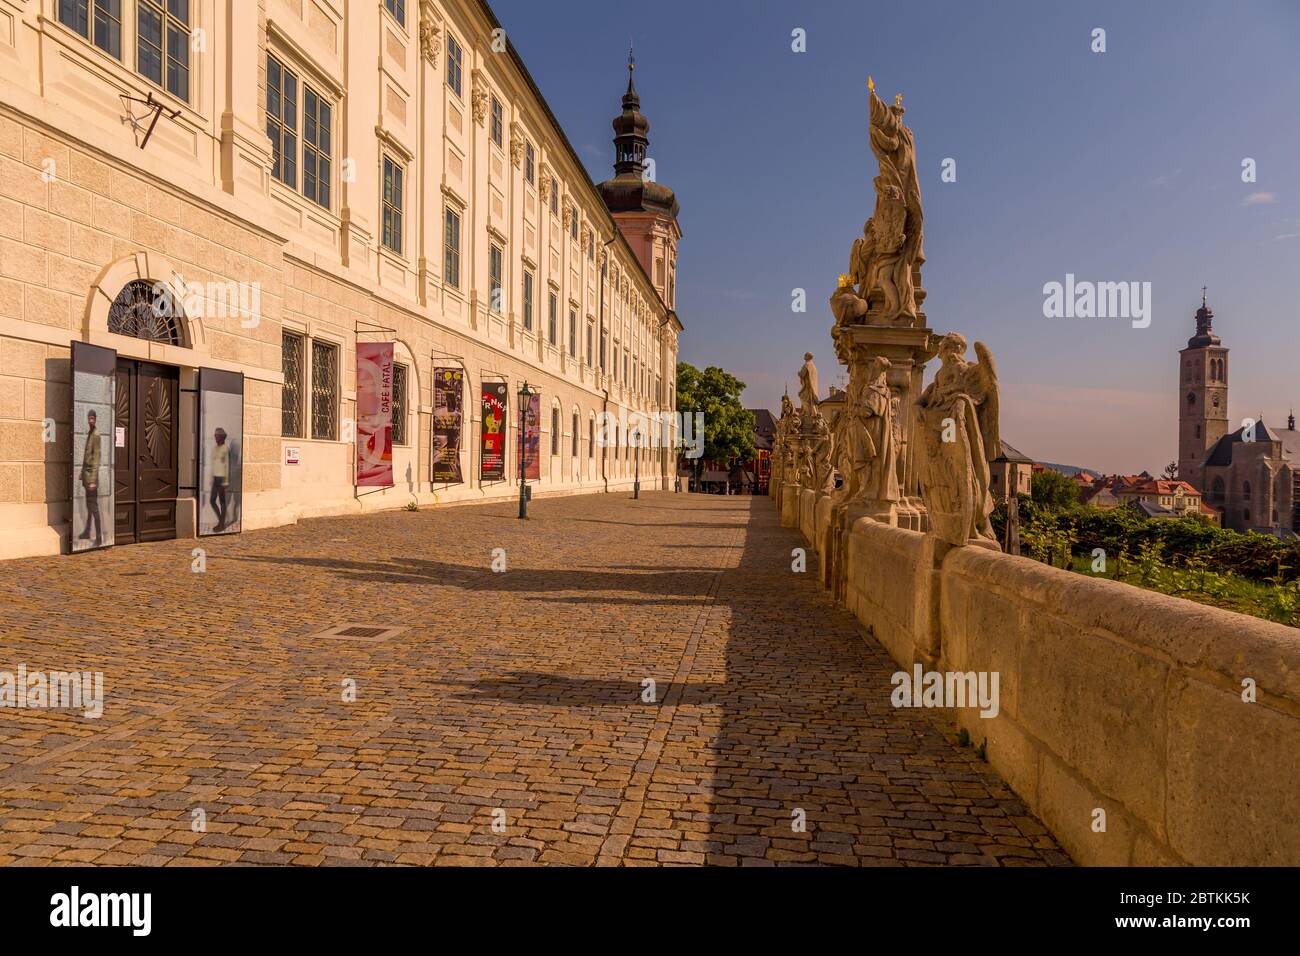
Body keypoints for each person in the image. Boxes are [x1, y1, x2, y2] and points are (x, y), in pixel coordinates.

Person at [78, 409, 103, 546]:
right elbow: (87, 456)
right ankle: (87, 531)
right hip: (87, 476)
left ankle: (99, 537)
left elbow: (96, 458)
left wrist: (93, 480)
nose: (91, 420)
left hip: (91, 478)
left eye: (93, 418)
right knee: (89, 505)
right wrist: (82, 472)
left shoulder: (96, 435)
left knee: (93, 506)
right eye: (89, 418)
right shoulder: (90, 433)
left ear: (95, 419)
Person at [209, 427, 230, 532]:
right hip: (216, 478)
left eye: (217, 435)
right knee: (212, 500)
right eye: (214, 434)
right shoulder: (215, 448)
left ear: (221, 436)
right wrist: (211, 477)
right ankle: (221, 522)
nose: (215, 436)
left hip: (222, 478)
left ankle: (221, 524)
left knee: (222, 502)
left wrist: (226, 481)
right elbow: (213, 464)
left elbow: (227, 465)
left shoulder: (225, 448)